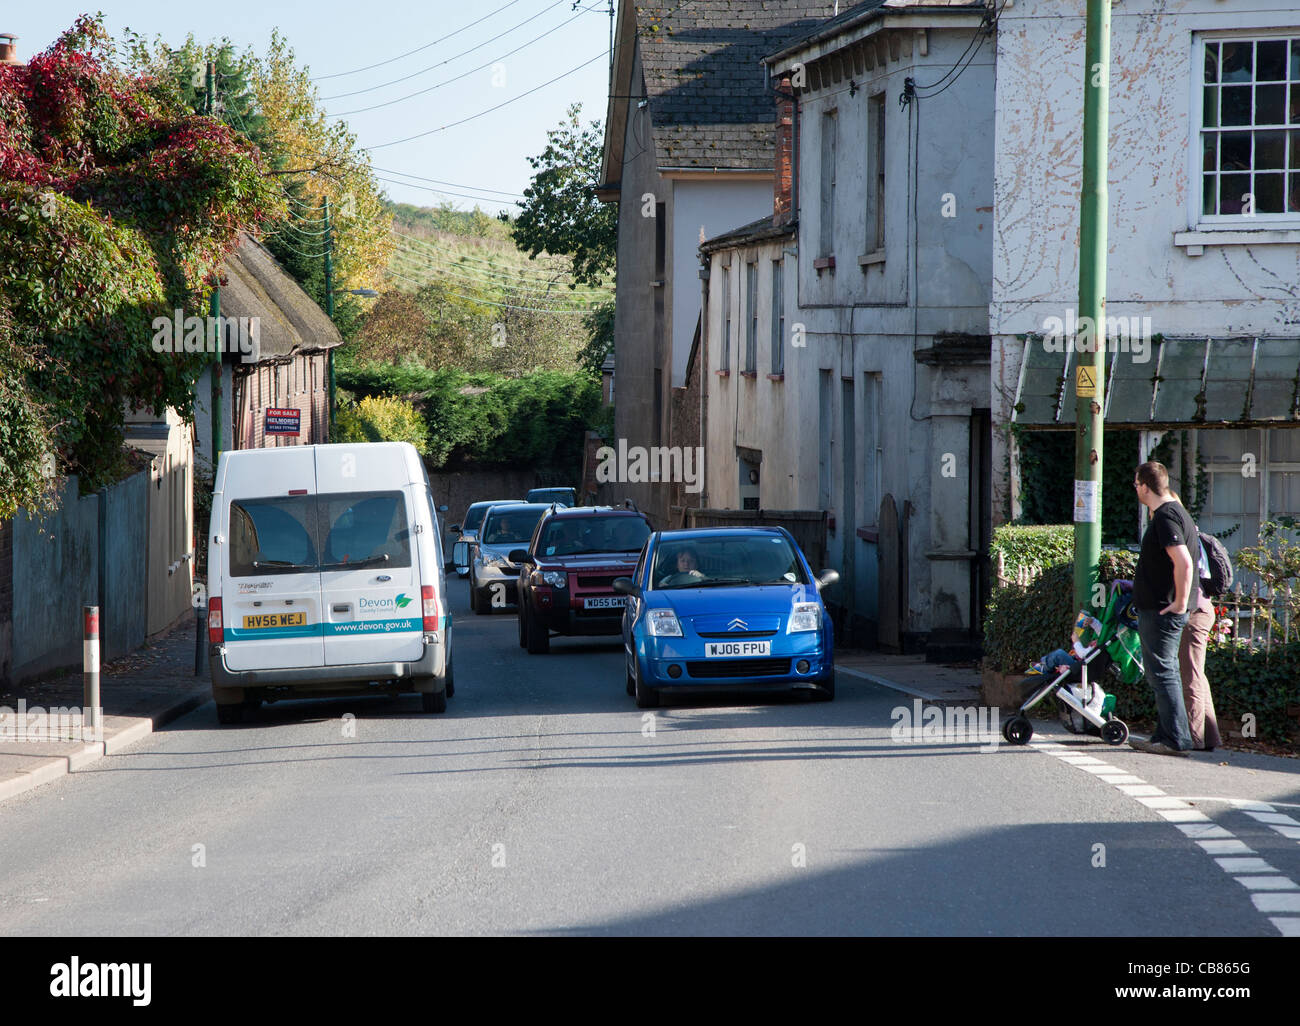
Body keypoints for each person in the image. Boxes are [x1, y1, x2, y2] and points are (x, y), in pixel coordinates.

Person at [1130, 462, 1199, 756]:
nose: (1135, 490)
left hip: (1162, 610)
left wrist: (1180, 601)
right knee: (1161, 671)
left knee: (1163, 671)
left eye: (1136, 485)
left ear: (1145, 486)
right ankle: (1164, 734)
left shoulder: (1166, 517)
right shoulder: (1170, 512)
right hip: (1160, 608)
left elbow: (1183, 562)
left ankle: (1174, 738)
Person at [1168, 491, 1221, 751]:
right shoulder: (1193, 532)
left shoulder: (1181, 534)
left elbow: (1185, 571)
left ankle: (1193, 736)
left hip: (1194, 610)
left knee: (1189, 675)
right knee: (1196, 673)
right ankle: (1209, 736)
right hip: (1203, 608)